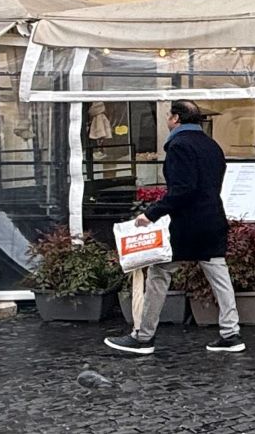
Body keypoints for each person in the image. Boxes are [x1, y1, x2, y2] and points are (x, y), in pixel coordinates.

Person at [105, 100, 245, 355]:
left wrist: (152, 214)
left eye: (169, 115)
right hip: (213, 219)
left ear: (177, 119)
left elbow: (183, 189)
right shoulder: (212, 146)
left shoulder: (179, 146)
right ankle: (231, 333)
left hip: (187, 225)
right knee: (220, 276)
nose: (167, 119)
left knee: (159, 274)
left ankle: (143, 337)